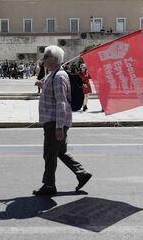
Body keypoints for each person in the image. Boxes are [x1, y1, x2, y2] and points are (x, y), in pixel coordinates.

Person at [33, 45, 92, 196]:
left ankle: (49, 186)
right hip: (54, 121)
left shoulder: (59, 76)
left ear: (54, 59)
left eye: (46, 57)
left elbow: (61, 102)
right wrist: (43, 84)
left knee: (49, 155)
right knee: (61, 152)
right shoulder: (54, 75)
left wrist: (59, 127)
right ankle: (82, 173)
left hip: (54, 122)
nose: (43, 60)